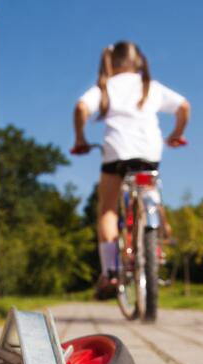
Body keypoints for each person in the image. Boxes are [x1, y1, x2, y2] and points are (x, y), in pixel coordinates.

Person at [72, 40, 190, 299]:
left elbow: (81, 108)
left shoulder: (106, 86)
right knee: (148, 191)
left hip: (116, 154)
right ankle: (153, 238)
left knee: (108, 210)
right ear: (138, 62)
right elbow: (183, 107)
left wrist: (80, 139)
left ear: (111, 62)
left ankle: (111, 271)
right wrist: (176, 134)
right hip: (149, 153)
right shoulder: (150, 87)